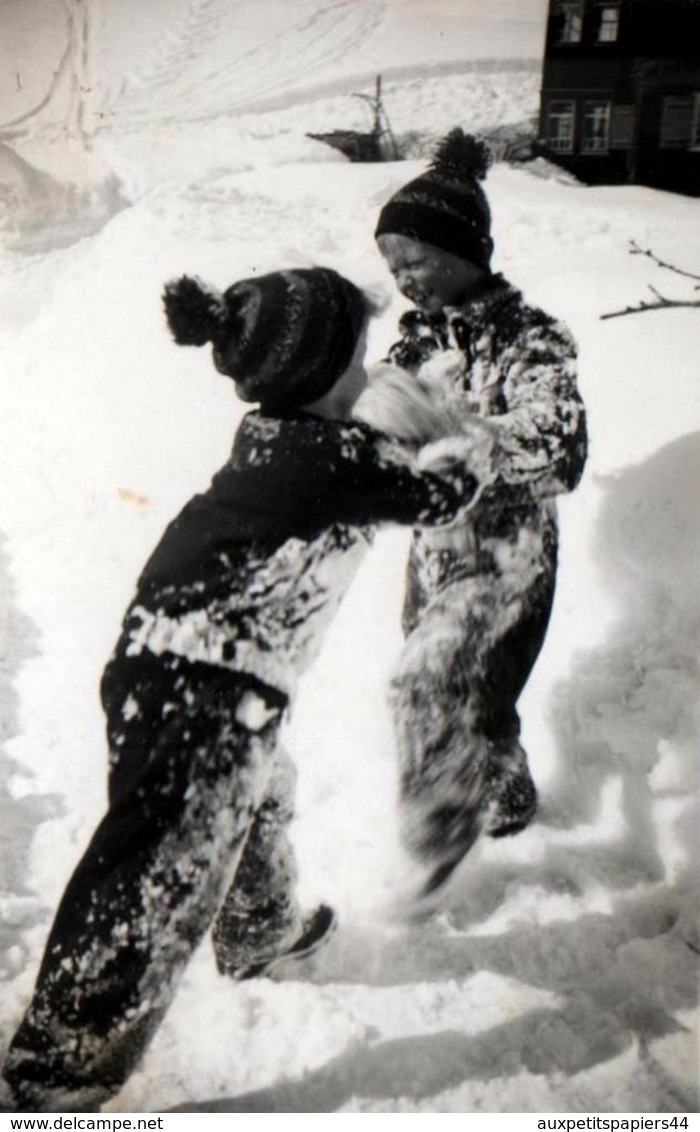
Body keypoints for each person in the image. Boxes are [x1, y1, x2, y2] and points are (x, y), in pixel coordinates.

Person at [3, 266, 487, 1113]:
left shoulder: (285, 439)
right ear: (316, 377)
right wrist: (454, 439)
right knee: (157, 876)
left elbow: (363, 462)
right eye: (359, 362)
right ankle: (50, 1080)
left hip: (188, 668)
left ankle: (260, 926)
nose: (371, 373)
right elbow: (439, 496)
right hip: (198, 682)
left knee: (258, 792)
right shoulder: (324, 458)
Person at [371, 129, 588, 895]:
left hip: (511, 553)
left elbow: (559, 449)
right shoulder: (414, 347)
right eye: (391, 265)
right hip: (435, 551)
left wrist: (458, 434)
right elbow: (376, 430)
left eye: (416, 259)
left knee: (439, 684)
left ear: (466, 249)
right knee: (464, 694)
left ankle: (437, 843)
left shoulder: (530, 340)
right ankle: (507, 793)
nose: (403, 278)